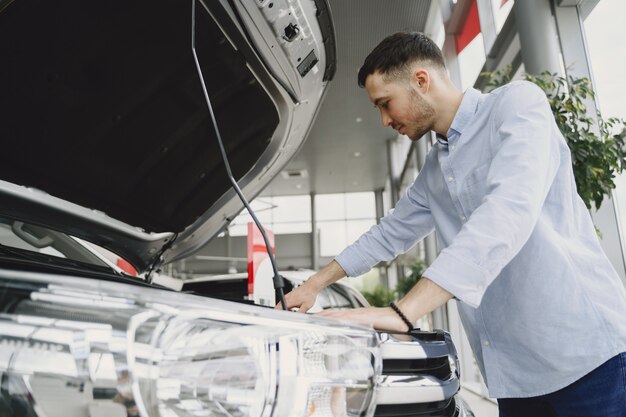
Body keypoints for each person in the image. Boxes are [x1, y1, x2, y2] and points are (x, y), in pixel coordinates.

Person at [277, 32, 626, 416]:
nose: (384, 120)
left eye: (385, 103)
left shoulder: (517, 106)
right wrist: (313, 285)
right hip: (516, 378)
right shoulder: (434, 171)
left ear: (421, 81)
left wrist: (402, 312)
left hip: (589, 359)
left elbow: (507, 212)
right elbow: (388, 234)